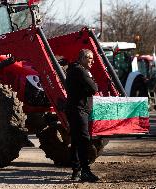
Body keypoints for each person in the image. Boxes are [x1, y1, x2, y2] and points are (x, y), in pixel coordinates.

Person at [65, 49, 99, 182]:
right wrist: (91, 81)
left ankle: (76, 171)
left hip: (75, 109)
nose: (92, 61)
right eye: (90, 58)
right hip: (79, 110)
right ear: (83, 59)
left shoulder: (73, 70)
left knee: (76, 140)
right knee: (84, 140)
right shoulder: (81, 71)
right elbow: (94, 89)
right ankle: (85, 170)